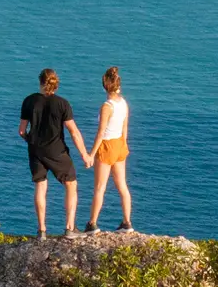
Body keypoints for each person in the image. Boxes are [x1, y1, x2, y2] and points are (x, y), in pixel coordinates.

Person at [19, 67, 92, 238]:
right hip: (56, 150)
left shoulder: (29, 101)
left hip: (35, 149)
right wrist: (85, 155)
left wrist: (31, 141)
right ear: (56, 85)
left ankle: (42, 231)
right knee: (71, 184)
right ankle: (69, 228)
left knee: (40, 185)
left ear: (40, 82)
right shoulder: (62, 103)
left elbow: (22, 131)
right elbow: (73, 131)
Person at [84, 66, 133, 233]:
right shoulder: (124, 103)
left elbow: (100, 133)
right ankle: (127, 222)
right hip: (120, 144)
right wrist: (124, 144)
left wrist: (91, 154)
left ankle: (92, 223)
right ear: (118, 86)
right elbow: (125, 127)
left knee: (100, 187)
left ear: (105, 86)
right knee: (122, 186)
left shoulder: (107, 106)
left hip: (107, 146)